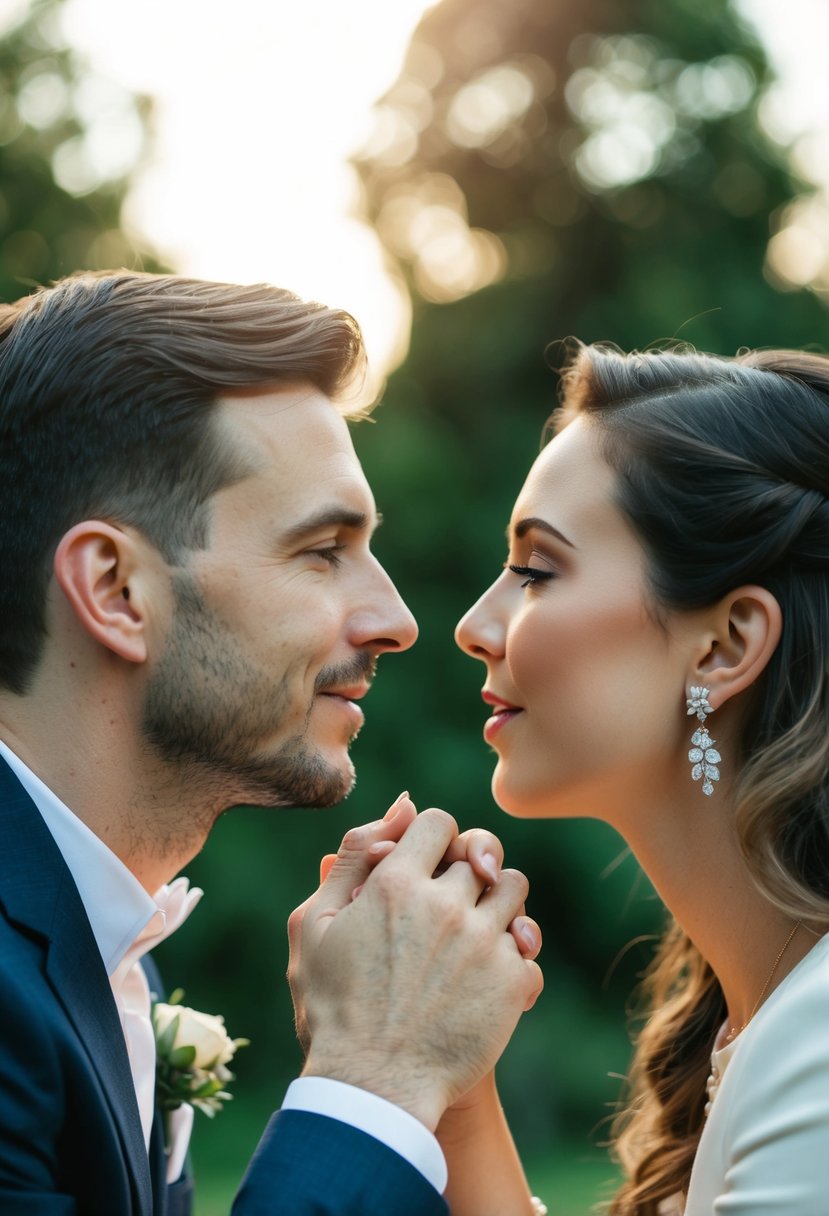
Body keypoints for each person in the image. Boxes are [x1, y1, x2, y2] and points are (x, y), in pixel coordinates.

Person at [0, 270, 544, 1216]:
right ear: (117, 590)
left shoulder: (106, 950)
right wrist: (377, 1074)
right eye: (322, 550)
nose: (397, 619)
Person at [450, 342, 829, 1215]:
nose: (476, 624)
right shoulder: (759, 1016)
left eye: (537, 570)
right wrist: (450, 1083)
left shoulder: (815, 1040)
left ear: (725, 644)